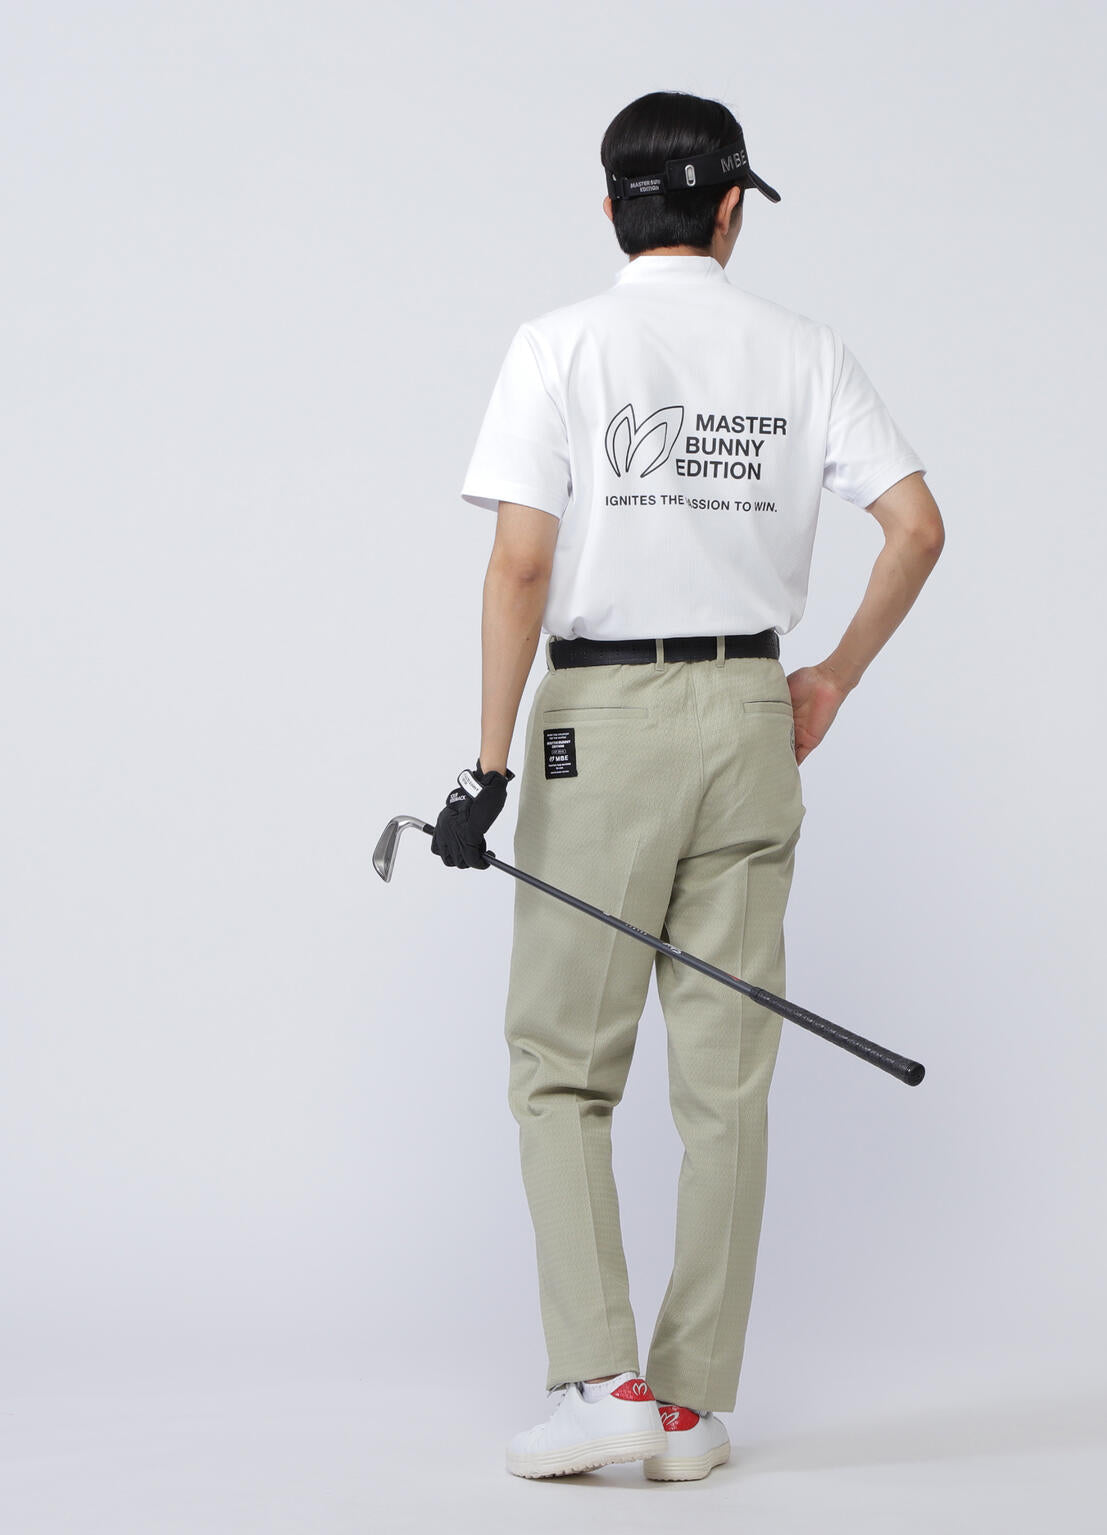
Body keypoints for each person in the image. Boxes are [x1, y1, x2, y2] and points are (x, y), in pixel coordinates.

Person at [430, 90, 944, 1482]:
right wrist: (827, 680)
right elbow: (915, 527)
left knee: (562, 1067)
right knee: (726, 1081)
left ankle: (599, 1381)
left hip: (603, 721)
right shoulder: (804, 350)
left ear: (612, 208)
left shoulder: (560, 346)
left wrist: (486, 768)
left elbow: (521, 567)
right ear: (729, 212)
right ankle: (689, 1410)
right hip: (750, 710)